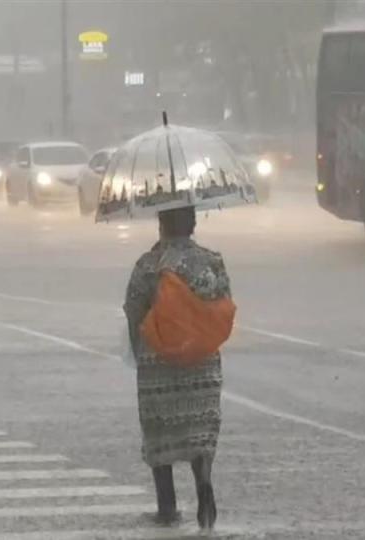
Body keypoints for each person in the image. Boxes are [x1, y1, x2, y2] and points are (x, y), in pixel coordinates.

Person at [123, 204, 231, 529]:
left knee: (160, 432)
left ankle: (167, 505)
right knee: (200, 432)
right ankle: (204, 484)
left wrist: (139, 352)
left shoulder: (149, 265)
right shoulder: (211, 261)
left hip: (159, 364)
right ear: (194, 223)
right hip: (202, 363)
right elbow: (223, 305)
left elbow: (133, 310)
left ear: (161, 224)